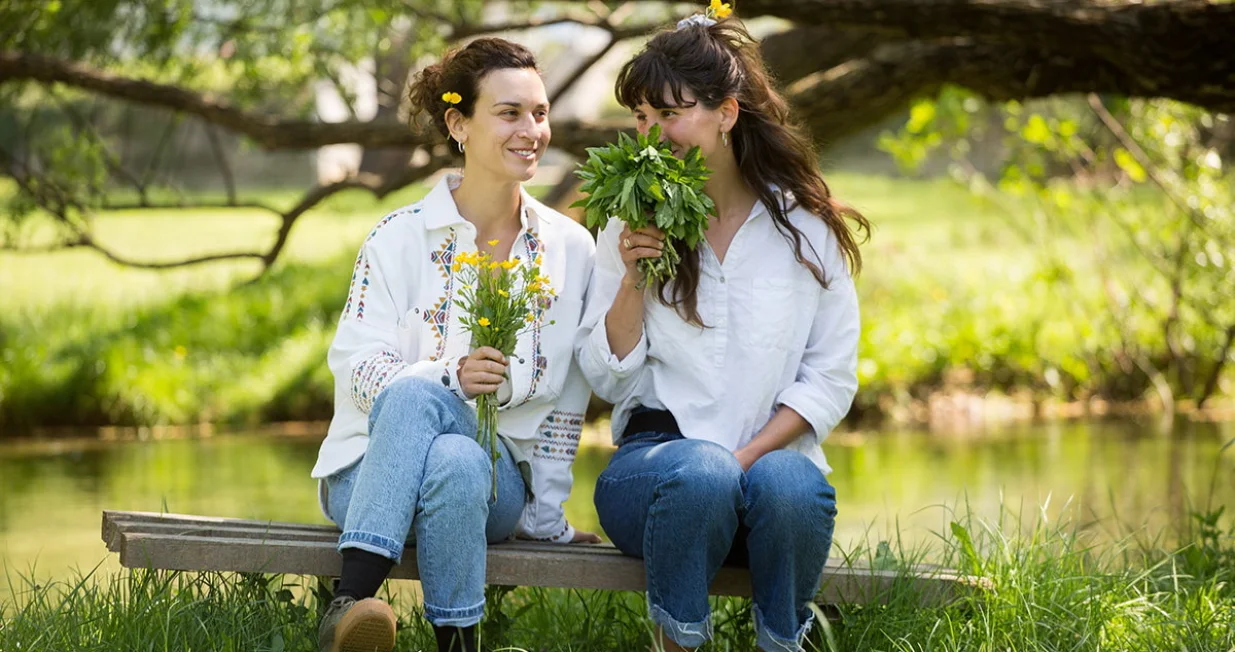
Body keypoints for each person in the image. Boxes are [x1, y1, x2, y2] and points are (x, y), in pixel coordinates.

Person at [577, 9, 871, 652]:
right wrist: (632, 278)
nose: (652, 135)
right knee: (701, 475)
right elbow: (603, 375)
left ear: (727, 113)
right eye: (641, 118)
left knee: (792, 484)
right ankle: (678, 641)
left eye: (670, 114)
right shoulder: (629, 223)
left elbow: (830, 378)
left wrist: (744, 459)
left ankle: (781, 641)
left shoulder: (807, 230)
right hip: (656, 476)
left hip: (767, 480)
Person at [311, 37, 601, 652]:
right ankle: (456, 645)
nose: (532, 130)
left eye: (541, 113)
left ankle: (350, 600)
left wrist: (545, 515)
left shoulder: (571, 248)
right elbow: (358, 371)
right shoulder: (395, 238)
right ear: (458, 123)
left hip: (494, 491)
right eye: (509, 113)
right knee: (441, 435)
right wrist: (449, 379)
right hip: (364, 475)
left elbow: (570, 396)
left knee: (465, 458)